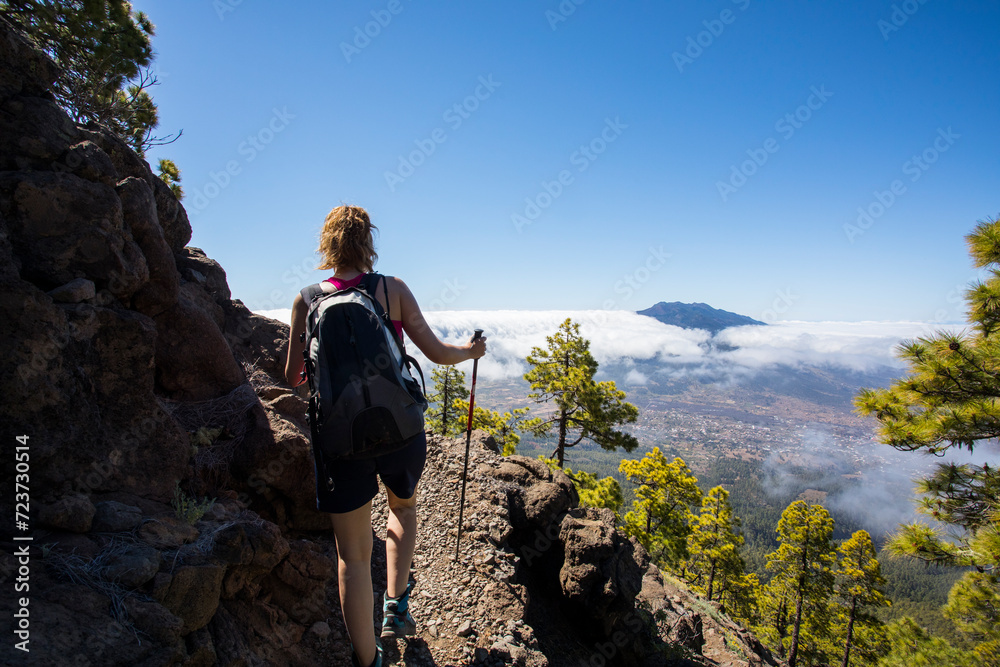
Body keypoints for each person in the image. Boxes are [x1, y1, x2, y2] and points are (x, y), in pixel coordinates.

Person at [284, 205, 486, 667]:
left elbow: (292, 377)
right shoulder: (391, 290)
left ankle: (367, 660)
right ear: (367, 241)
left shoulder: (306, 299)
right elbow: (436, 352)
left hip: (341, 440)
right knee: (403, 507)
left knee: (353, 558)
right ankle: (396, 607)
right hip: (399, 430)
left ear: (327, 244)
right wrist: (472, 350)